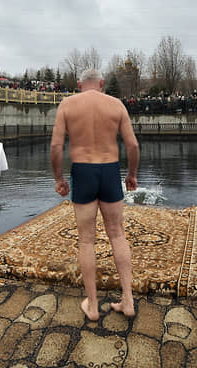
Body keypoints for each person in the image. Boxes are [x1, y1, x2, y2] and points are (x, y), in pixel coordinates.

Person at [50, 68, 140, 320]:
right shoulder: (116, 105)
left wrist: (59, 178)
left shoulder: (67, 105)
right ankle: (128, 301)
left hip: (83, 171)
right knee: (117, 234)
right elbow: (132, 145)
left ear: (79, 84)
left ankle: (92, 306)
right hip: (110, 170)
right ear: (101, 83)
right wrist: (131, 174)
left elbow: (56, 146)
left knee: (87, 239)